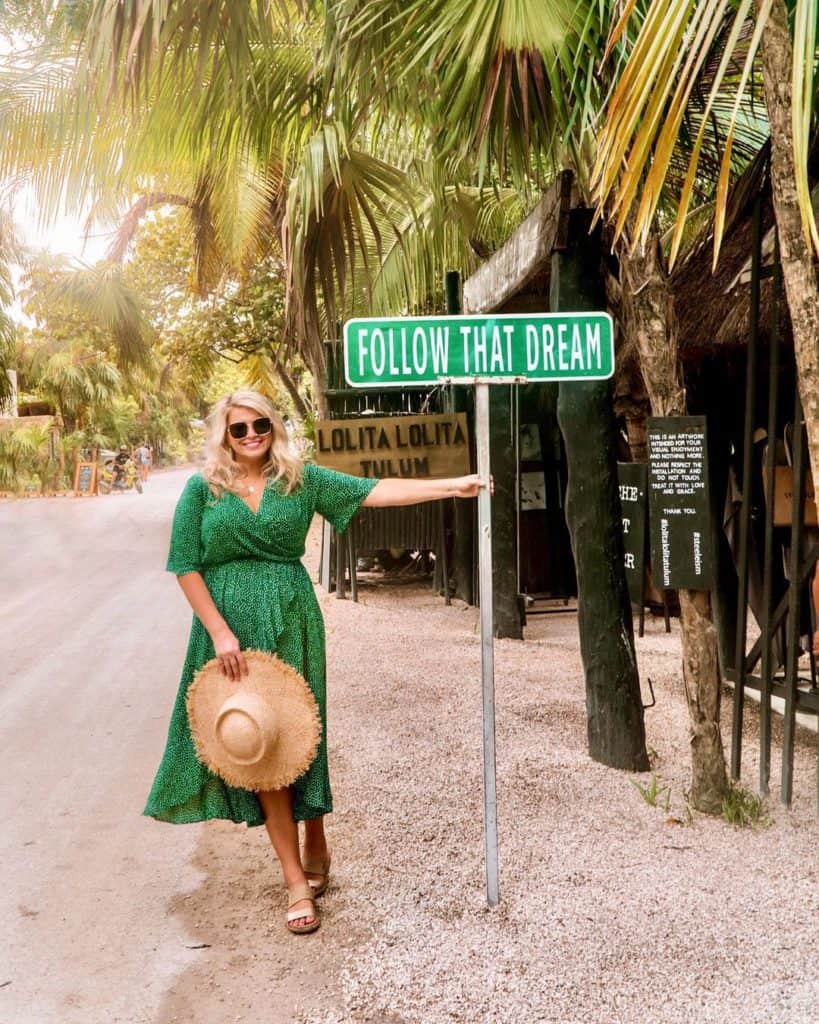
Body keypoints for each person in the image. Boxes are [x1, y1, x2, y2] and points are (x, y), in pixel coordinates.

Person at [144, 390, 489, 935]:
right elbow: (185, 565)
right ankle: (295, 881)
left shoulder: (299, 478)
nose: (252, 435)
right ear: (224, 435)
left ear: (273, 426)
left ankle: (316, 834)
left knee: (301, 734)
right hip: (230, 634)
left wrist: (453, 485)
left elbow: (371, 490)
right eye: (239, 429)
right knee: (261, 747)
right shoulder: (202, 489)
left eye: (260, 424)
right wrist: (220, 632)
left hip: (292, 618)